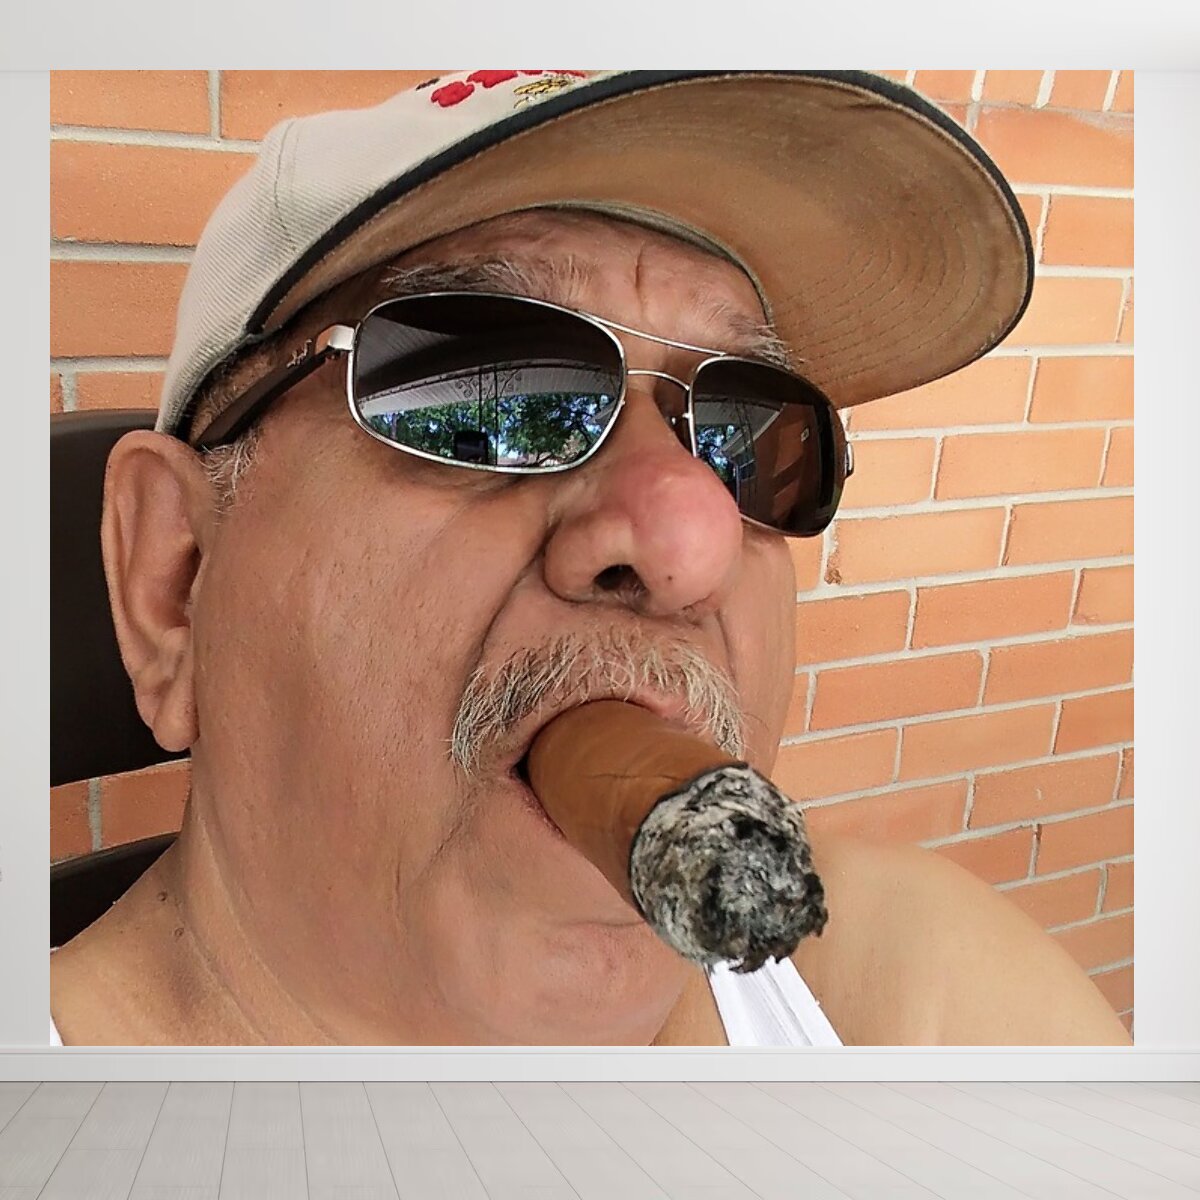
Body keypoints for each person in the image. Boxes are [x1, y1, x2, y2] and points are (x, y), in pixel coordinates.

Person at [50, 70, 1131, 1046]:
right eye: (493, 396)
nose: (693, 536)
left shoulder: (913, 998)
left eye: (750, 432)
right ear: (175, 582)